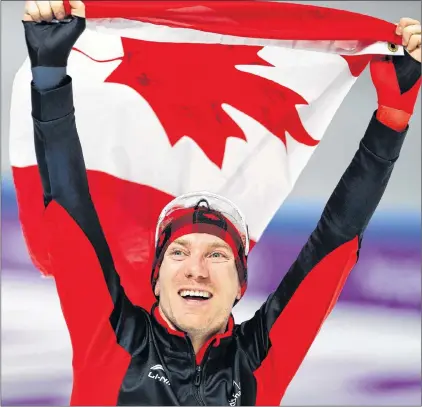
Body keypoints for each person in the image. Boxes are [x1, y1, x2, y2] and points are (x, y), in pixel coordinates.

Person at [21, 1, 421, 406]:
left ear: (240, 285)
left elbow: (334, 241)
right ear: (155, 279)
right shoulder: (108, 339)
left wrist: (393, 114)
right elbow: (69, 205)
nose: (196, 271)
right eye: (179, 252)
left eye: (217, 255)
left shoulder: (259, 363)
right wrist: (49, 74)